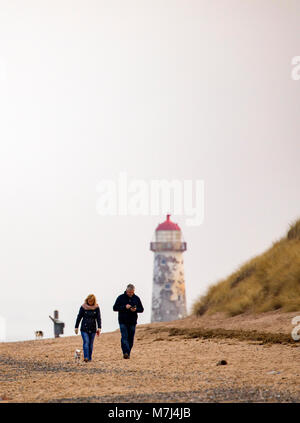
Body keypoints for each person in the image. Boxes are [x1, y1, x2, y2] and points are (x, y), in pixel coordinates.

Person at [113, 284, 144, 359]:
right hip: (123, 321)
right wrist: (124, 307)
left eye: (132, 292)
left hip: (132, 321)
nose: (130, 294)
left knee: (131, 338)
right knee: (124, 337)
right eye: (129, 292)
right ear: (126, 291)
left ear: (134, 291)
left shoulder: (136, 298)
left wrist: (135, 309)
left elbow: (141, 309)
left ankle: (128, 352)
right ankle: (125, 352)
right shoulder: (120, 297)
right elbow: (115, 308)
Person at [75, 294, 101, 362]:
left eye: (91, 301)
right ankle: (86, 357)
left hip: (93, 328)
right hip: (84, 328)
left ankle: (89, 358)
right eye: (89, 301)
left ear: (94, 301)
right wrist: (76, 327)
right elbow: (79, 317)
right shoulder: (83, 307)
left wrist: (99, 327)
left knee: (90, 343)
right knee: (86, 342)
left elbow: (98, 318)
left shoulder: (96, 307)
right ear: (87, 300)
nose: (90, 302)